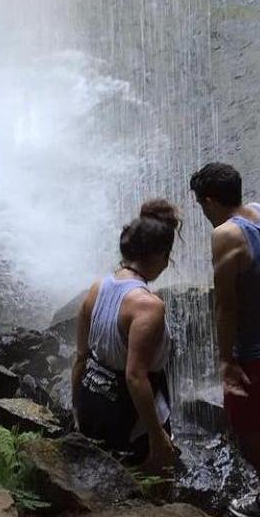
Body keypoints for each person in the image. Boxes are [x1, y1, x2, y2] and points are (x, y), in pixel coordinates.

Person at [190, 162, 260, 517]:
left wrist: (225, 361)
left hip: (256, 359)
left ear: (209, 201)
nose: (203, 214)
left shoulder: (225, 236)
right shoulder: (259, 213)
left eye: (202, 206)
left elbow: (226, 307)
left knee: (250, 438)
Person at [72, 199, 179, 475]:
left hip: (93, 402)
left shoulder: (97, 288)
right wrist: (157, 436)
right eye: (167, 256)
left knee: (108, 475)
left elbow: (81, 357)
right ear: (159, 256)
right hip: (130, 416)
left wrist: (77, 409)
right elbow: (135, 376)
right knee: (152, 477)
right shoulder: (148, 306)